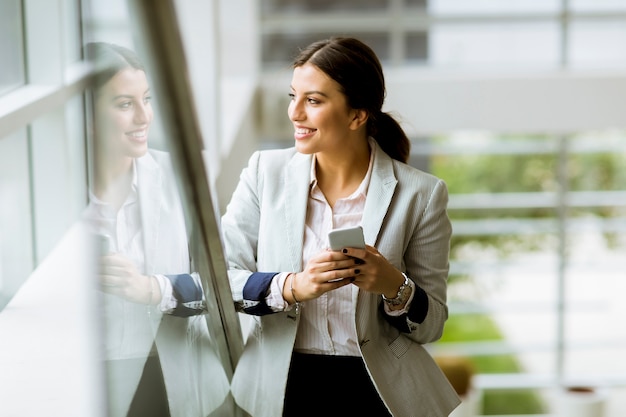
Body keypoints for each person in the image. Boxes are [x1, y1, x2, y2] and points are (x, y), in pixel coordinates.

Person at [221, 36, 461, 416]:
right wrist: (293, 286)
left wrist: (394, 286)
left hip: (378, 391)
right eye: (292, 96)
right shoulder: (263, 174)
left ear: (357, 115)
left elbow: (431, 326)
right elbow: (221, 278)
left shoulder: (422, 194)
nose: (295, 113)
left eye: (313, 101)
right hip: (281, 384)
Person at [82, 42, 229, 417]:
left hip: (169, 378)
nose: (144, 116)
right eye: (124, 104)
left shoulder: (183, 181)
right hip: (82, 381)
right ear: (86, 114)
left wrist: (150, 289)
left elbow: (220, 287)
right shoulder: (48, 196)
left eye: (146, 99)